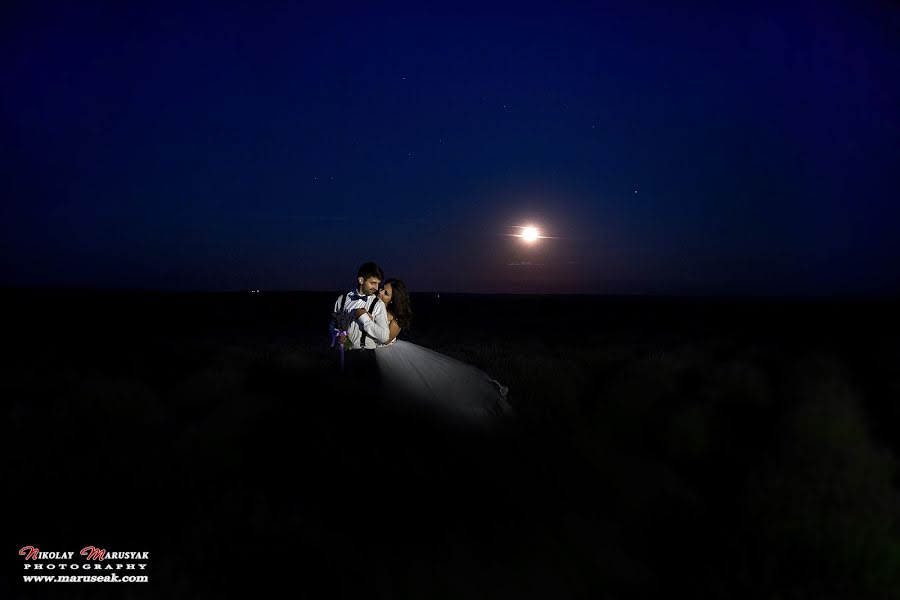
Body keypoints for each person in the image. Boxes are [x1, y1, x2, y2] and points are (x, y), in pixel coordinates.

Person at [358, 278, 513, 428]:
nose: (380, 292)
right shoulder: (372, 304)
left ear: (393, 300)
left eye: (385, 293)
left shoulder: (395, 317)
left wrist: (366, 320)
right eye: (382, 289)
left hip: (389, 355)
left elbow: (385, 339)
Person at [330, 261, 391, 381]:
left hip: (366, 357)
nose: (376, 288)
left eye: (378, 284)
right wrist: (336, 336)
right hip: (344, 355)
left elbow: (384, 336)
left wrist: (364, 319)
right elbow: (333, 325)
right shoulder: (342, 300)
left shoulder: (378, 304)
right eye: (373, 283)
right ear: (361, 280)